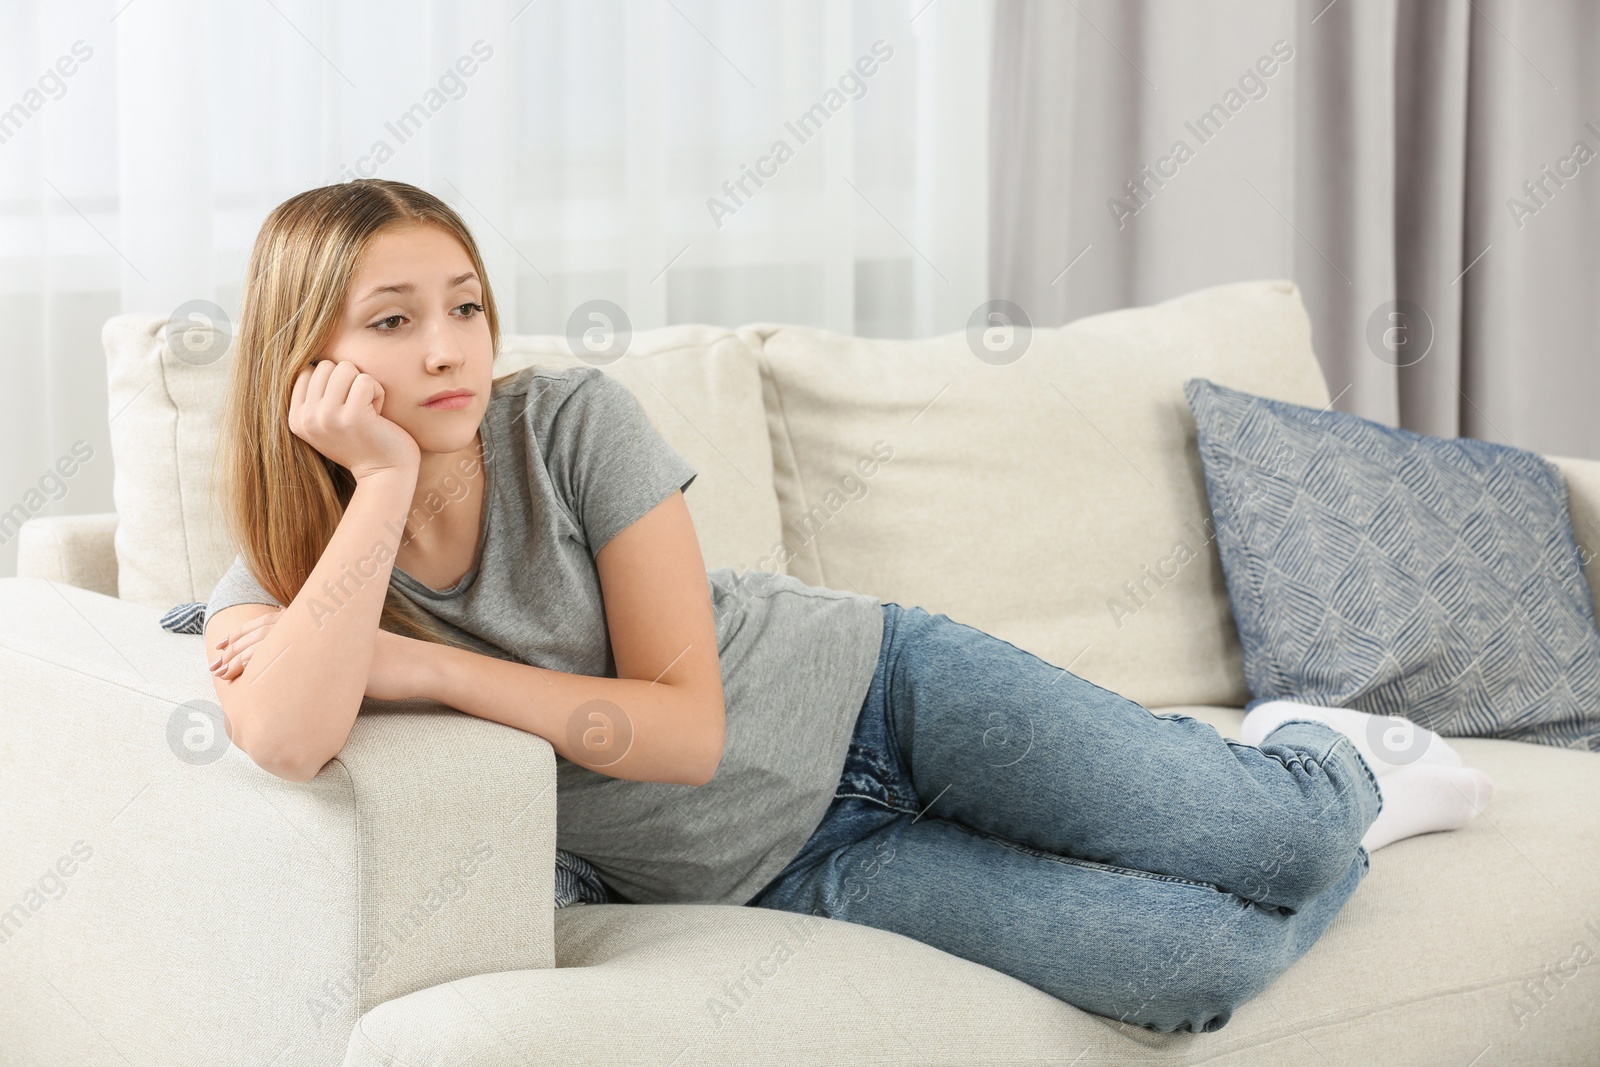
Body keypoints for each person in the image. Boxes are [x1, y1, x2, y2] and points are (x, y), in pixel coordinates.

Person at [203, 178, 1494, 1035]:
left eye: (467, 308)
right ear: (304, 359)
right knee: (1189, 977)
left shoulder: (572, 426)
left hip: (884, 697)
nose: (448, 350)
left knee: (1289, 847)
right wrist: (376, 490)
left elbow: (687, 729)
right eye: (394, 321)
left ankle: (1330, 761)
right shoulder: (287, 568)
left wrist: (427, 671)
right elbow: (284, 736)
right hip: (801, 867)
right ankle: (1314, 809)